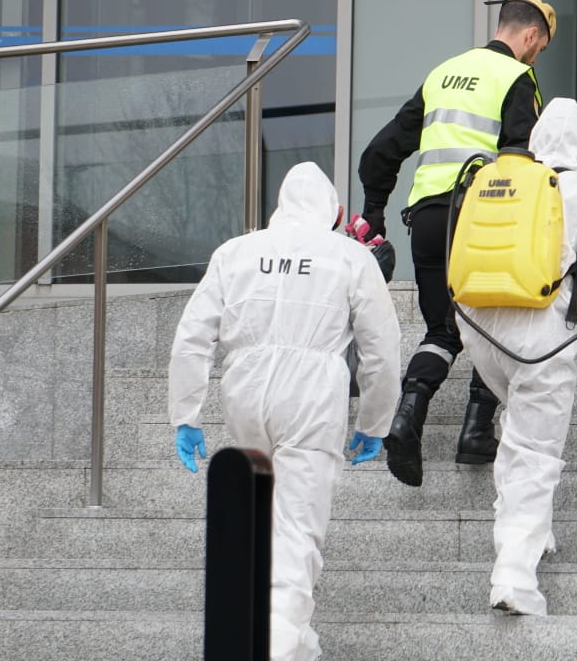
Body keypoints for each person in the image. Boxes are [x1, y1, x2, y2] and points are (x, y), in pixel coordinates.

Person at [167, 161, 401, 661]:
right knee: (297, 527)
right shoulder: (348, 256)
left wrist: (185, 413)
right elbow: (382, 346)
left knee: (259, 521)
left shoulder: (236, 252)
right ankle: (279, 646)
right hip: (313, 394)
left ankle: (297, 640)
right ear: (333, 210)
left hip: (245, 390)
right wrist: (375, 421)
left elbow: (193, 336)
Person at [357, 0, 555, 487]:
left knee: (443, 330)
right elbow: (521, 155)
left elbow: (380, 152)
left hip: (425, 216)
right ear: (531, 36)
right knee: (494, 317)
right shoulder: (518, 78)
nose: (537, 56)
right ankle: (475, 431)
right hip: (480, 216)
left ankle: (407, 415)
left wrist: (374, 216)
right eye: (541, 47)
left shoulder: (443, 73)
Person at [457, 97, 577, 617]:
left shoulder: (498, 181)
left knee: (519, 427)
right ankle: (513, 578)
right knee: (535, 453)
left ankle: (529, 528)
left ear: (536, 142)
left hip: (477, 325)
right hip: (540, 333)